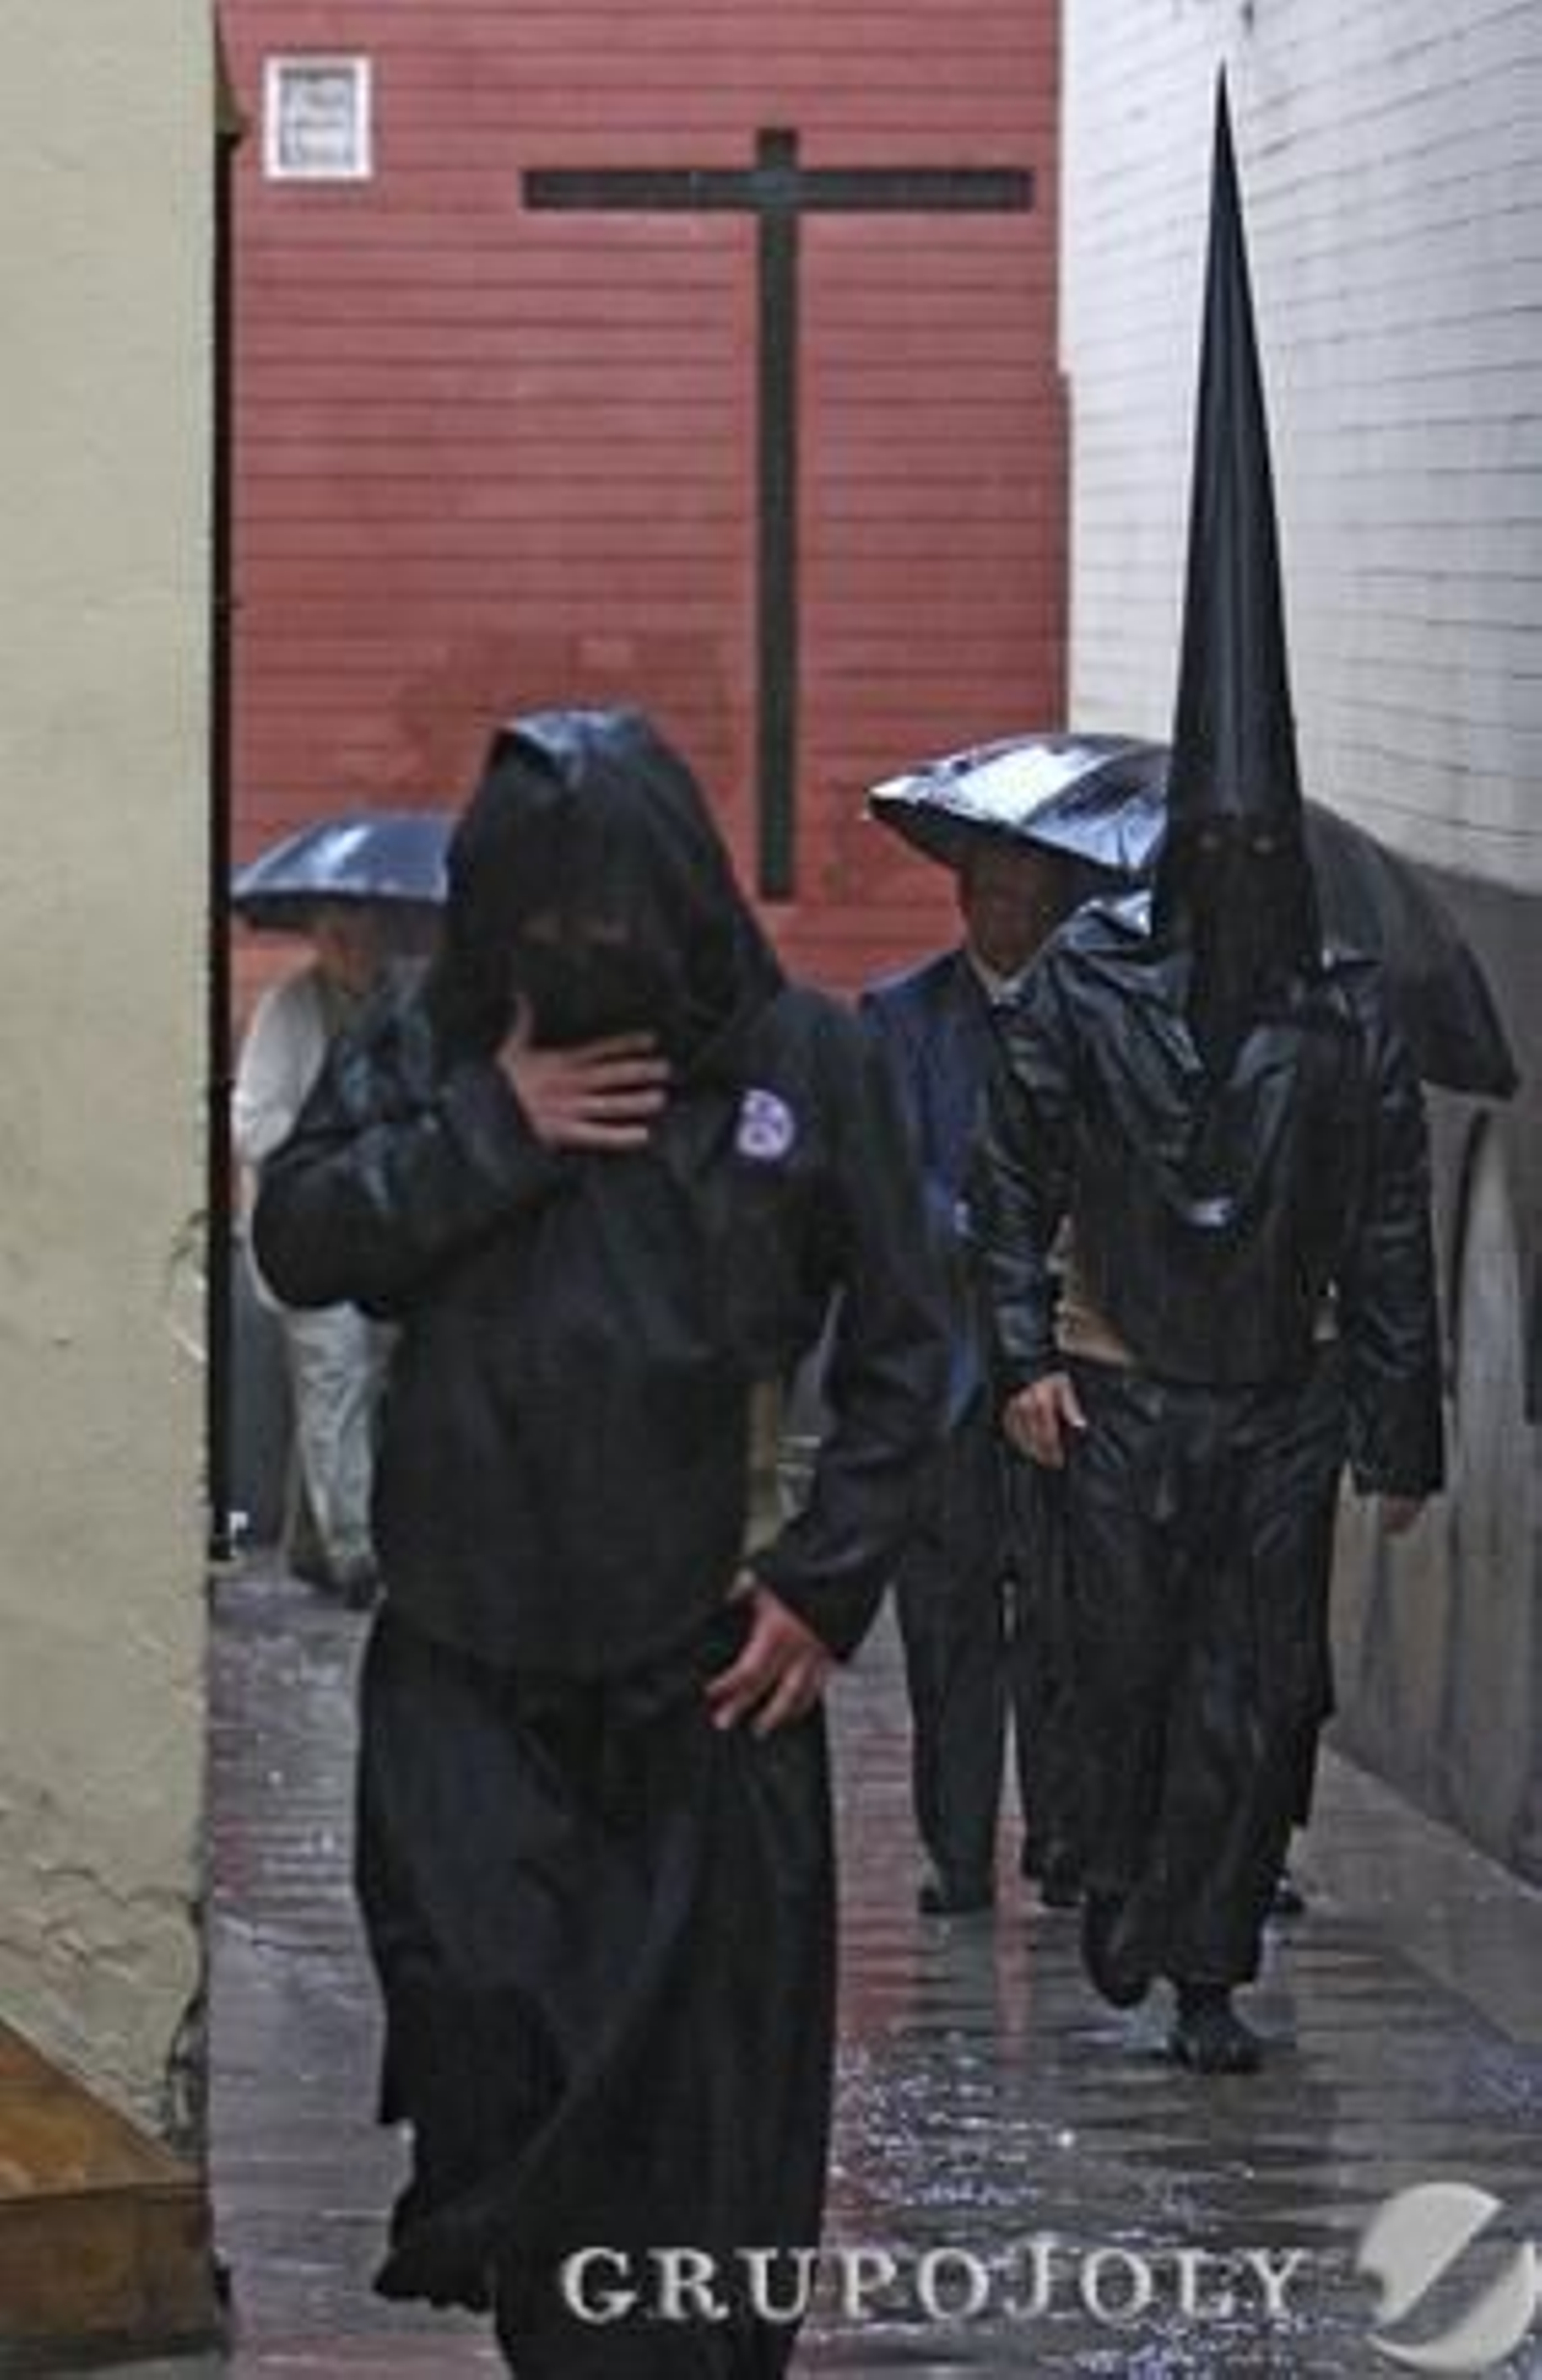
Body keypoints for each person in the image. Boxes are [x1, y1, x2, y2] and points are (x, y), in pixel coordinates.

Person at [252, 705, 947, 2373]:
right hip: (471, 1673)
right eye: (546, 925)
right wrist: (496, 1124)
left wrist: (825, 1589)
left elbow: (915, 1345)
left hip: (711, 1682)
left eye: (609, 923)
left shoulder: (803, 1061)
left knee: (707, 2130)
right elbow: (302, 1239)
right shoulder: (434, 1044)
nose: (580, 955)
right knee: (499, 2043)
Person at [971, 87, 1444, 2075]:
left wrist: (1390, 1417)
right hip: (1127, 1389)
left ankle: (1202, 1960)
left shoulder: (1345, 1013)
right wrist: (1020, 1350)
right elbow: (1001, 1179)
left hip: (1261, 1403)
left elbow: (1393, 1218)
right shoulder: (1083, 981)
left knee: (1256, 1687)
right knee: (1118, 1667)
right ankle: (1111, 1876)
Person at [861, 841, 1082, 1915]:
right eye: (994, 898)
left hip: (1058, 1373)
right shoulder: (899, 1017)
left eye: (1032, 905)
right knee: (947, 1628)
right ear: (962, 899)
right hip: (946, 1371)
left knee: (1056, 1614)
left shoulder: (1086, 1014)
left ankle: (1057, 1832)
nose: (1011, 921)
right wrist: (996, 1234)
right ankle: (956, 1847)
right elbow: (891, 1183)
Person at [232, 898, 397, 1601]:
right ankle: (356, 1556)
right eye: (337, 936)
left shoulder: (409, 1004)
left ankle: (309, 1538)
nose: (354, 948)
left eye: (365, 933)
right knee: (334, 1376)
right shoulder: (288, 1009)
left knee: (356, 1385)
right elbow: (251, 1124)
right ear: (317, 941)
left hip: (391, 1228)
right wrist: (328, 1149)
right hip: (310, 1227)